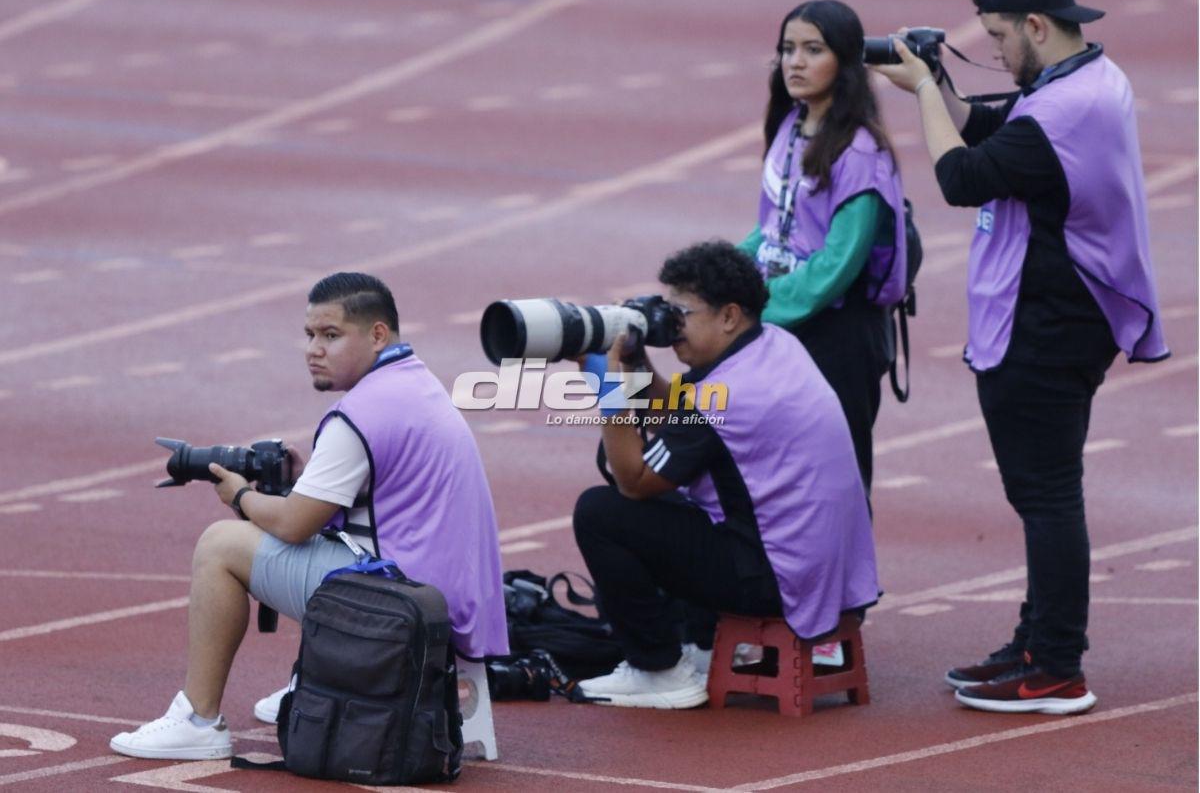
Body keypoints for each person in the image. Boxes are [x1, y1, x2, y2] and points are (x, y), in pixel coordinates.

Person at [874, 0, 1168, 715]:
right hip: (1067, 314)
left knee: (1046, 496)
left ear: (1037, 27)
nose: (997, 53)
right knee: (1044, 492)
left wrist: (915, 97)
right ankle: (1036, 642)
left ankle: (1057, 666)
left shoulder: (1066, 110)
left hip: (1051, 319)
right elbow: (983, 124)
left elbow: (961, 177)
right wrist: (936, 83)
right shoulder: (1081, 82)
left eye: (1001, 38)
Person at [110, 272, 508, 759]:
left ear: (377, 334)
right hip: (445, 598)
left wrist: (240, 498)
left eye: (331, 335)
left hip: (401, 608)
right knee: (321, 545)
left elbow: (296, 524)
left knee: (220, 546)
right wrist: (307, 484)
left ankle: (198, 720)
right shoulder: (416, 385)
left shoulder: (360, 411)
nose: (313, 349)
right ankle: (323, 683)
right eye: (310, 335)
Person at [572, 241, 878, 709]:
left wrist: (611, 390)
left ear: (729, 316)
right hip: (822, 570)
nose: (671, 328)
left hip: (776, 581)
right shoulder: (775, 346)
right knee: (685, 500)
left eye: (681, 314)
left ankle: (659, 671)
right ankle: (700, 643)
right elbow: (680, 418)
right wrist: (637, 366)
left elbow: (634, 479)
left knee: (601, 512)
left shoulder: (725, 393)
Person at [737, 0, 908, 494]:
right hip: (786, 320)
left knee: (839, 480)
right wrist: (722, 277)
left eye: (813, 50)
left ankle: (852, 576)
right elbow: (770, 227)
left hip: (837, 333)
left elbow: (839, 264)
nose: (795, 62)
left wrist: (759, 307)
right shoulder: (790, 126)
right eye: (787, 49)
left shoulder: (860, 153)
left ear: (845, 63)